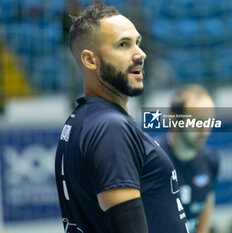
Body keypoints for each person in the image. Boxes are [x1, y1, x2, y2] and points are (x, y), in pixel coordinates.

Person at [55, 3, 189, 233]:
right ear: (90, 60)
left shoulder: (86, 120)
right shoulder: (110, 128)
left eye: (138, 42)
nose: (140, 53)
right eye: (123, 45)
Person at [157, 85, 220, 233]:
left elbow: (205, 210)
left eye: (209, 121)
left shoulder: (210, 160)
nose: (205, 131)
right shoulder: (151, 159)